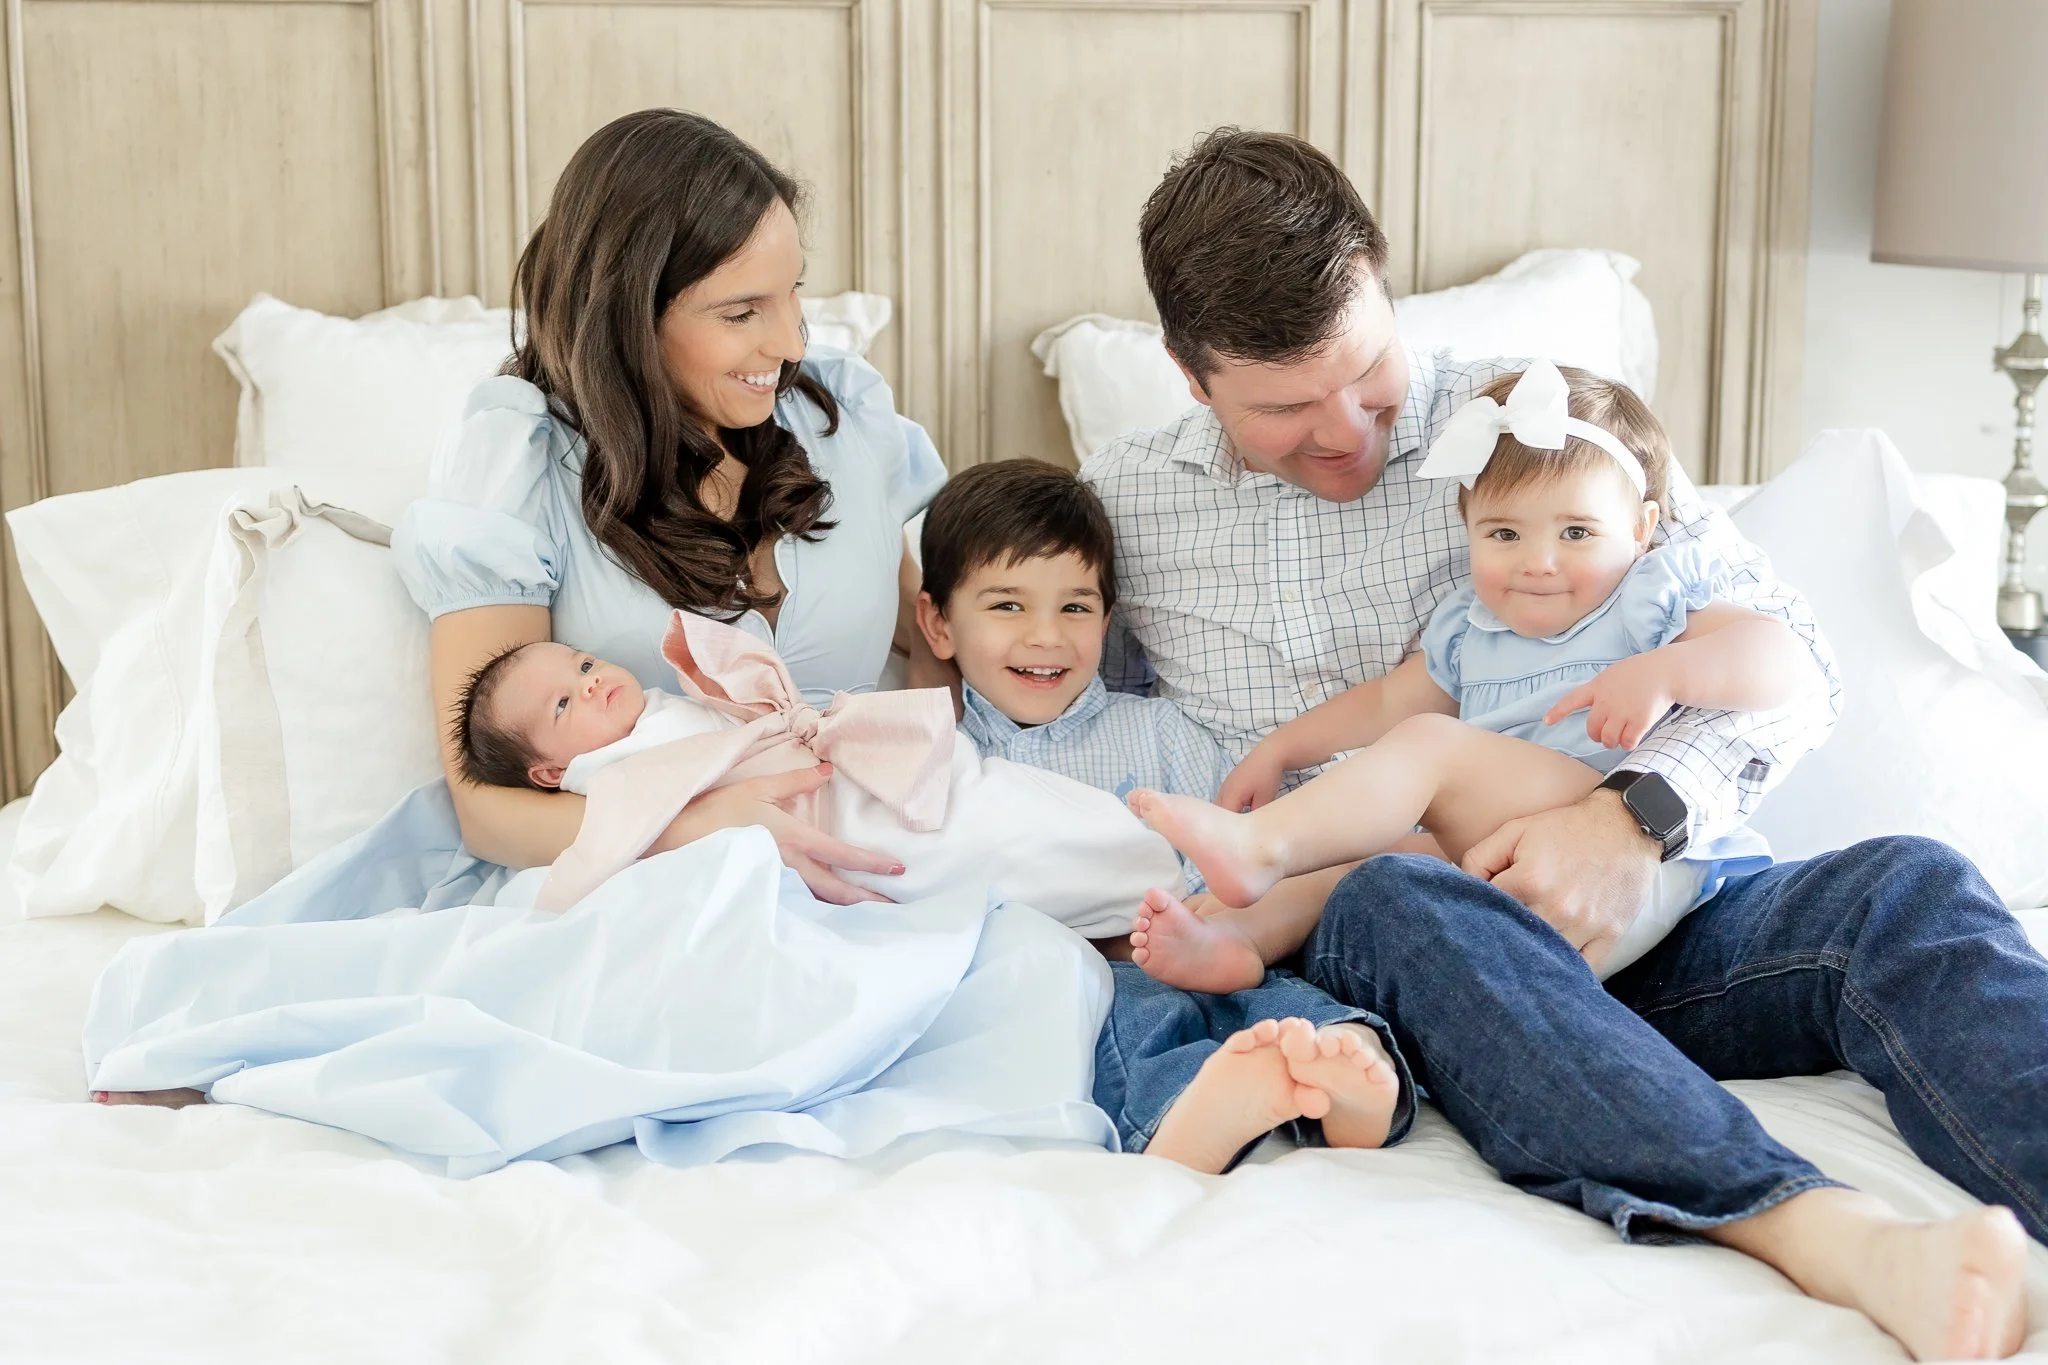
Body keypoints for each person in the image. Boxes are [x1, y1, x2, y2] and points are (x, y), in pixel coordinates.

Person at [1081, 126, 2040, 1360]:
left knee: (1903, 887)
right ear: (1186, 371)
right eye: (1282, 406)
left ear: (1378, 277)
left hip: (1656, 915)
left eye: (1366, 377)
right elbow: (1058, 713)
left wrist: (1626, 821)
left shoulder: (1544, 428)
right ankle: (1834, 1238)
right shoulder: (1123, 500)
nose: (1346, 434)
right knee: (1392, 892)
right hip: (1413, 948)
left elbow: (1788, 662)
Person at [1127, 362, 1799, 992]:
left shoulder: (1646, 597)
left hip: (1624, 861)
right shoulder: (1471, 629)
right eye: (1505, 534)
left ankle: (1258, 845)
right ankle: (1238, 940)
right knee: (1371, 854)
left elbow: (1781, 660)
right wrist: (1280, 749)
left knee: (1431, 746)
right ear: (1468, 528)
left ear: (1640, 528)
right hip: (1508, 873)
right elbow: (1386, 701)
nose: (1539, 561)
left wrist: (1667, 670)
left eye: (1576, 532)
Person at [912, 459, 1404, 1173]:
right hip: (1086, 973)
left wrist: (1209, 924)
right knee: (1126, 1016)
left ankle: (1351, 1071)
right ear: (938, 622)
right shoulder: (939, 754)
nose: (1046, 636)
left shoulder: (1163, 732)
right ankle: (1189, 1111)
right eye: (1007, 606)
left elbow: (1233, 857)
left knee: (1282, 992)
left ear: (1108, 620)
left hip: (1204, 947)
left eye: (1075, 607)